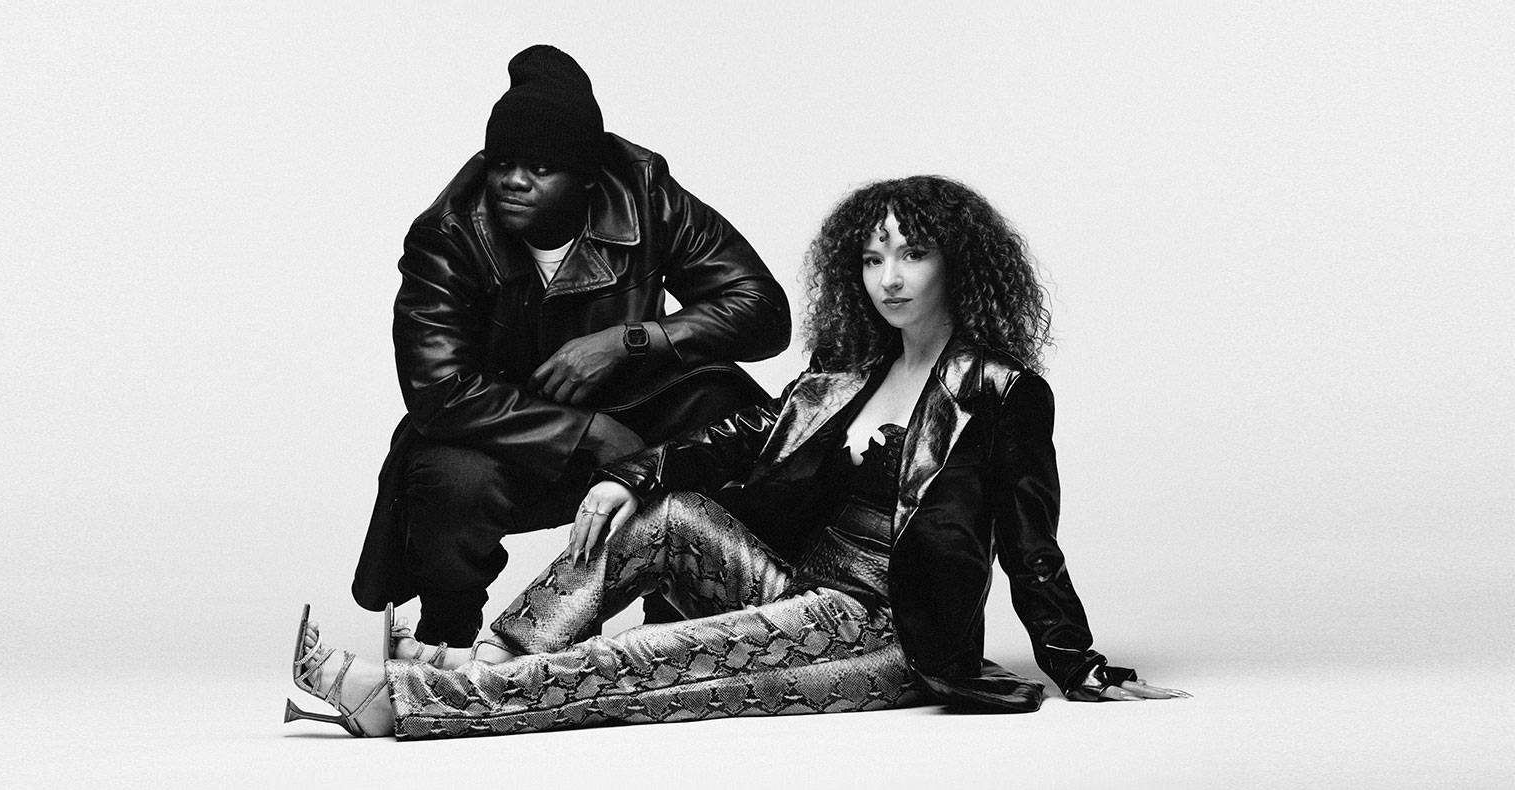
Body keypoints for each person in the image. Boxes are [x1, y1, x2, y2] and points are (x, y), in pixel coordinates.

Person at [296, 176, 1187, 739]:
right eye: (873, 258)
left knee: (647, 666)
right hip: (792, 585)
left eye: (913, 255)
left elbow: (1032, 543)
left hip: (886, 628)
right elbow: (741, 436)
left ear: (960, 265)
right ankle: (489, 658)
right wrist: (629, 475)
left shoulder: (1000, 390)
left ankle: (401, 703)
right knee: (661, 513)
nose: (890, 278)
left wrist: (1079, 665)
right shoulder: (848, 370)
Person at [350, 44, 791, 648]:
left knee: (728, 410)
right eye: (503, 162)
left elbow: (762, 310)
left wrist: (630, 340)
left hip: (637, 412)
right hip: (511, 433)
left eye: (540, 167)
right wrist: (586, 432)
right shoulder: (449, 233)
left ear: (586, 174)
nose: (514, 181)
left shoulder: (644, 194)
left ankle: (679, 628)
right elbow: (439, 388)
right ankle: (444, 644)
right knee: (448, 476)